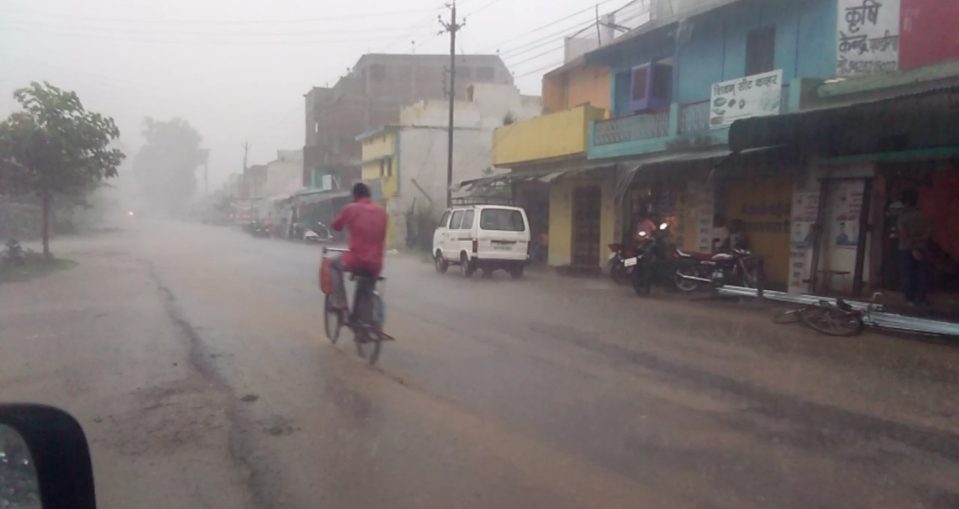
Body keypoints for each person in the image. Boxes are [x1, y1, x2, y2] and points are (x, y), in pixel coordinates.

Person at [329, 183, 388, 310]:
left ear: (355, 195)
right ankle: (369, 322)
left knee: (333, 265)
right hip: (376, 263)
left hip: (356, 260)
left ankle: (341, 301)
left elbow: (336, 225)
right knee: (368, 286)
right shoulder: (382, 211)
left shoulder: (352, 208)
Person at [897, 187, 931, 307]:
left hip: (906, 250)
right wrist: (919, 241)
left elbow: (904, 237)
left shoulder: (902, 218)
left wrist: (912, 249)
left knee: (908, 276)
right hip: (922, 249)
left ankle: (910, 300)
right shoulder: (923, 215)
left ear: (905, 202)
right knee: (921, 276)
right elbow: (927, 234)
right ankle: (921, 299)